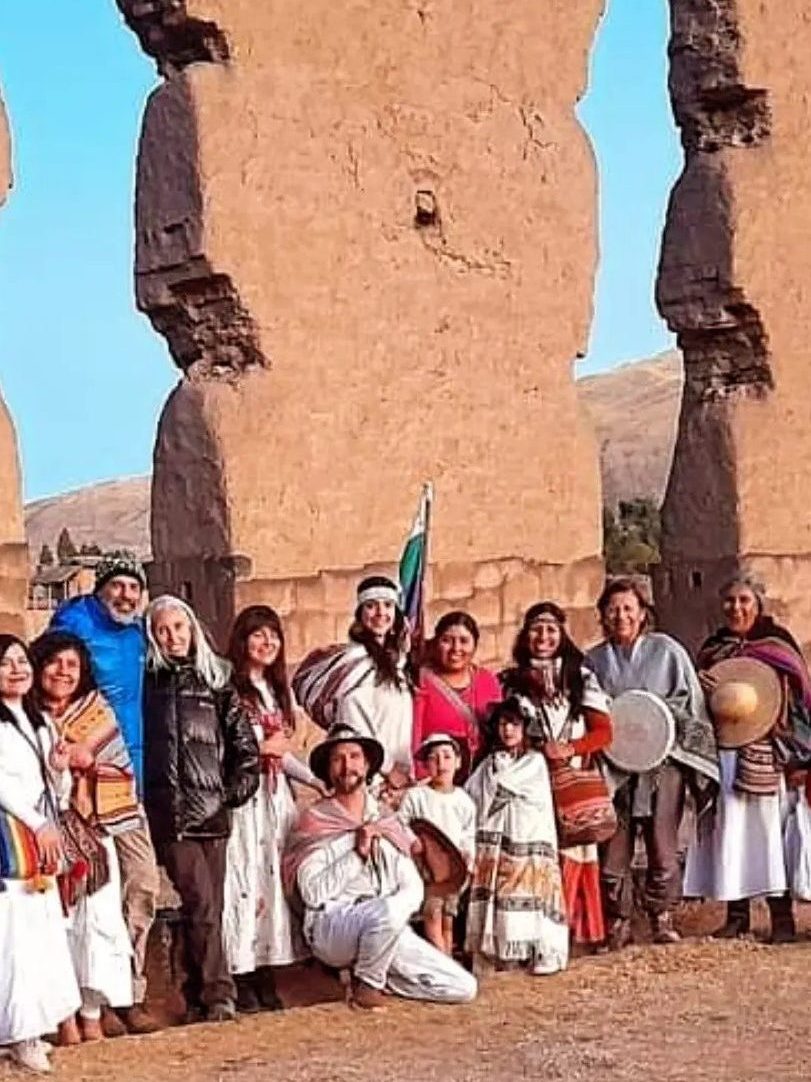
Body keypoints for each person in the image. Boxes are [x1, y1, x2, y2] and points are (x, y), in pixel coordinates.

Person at [283, 723, 477, 1009]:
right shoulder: (316, 820)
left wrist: (397, 905)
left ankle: (378, 972)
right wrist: (357, 853)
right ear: (328, 769)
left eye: (354, 756)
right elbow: (312, 894)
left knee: (463, 987)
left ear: (367, 765)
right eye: (338, 758)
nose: (347, 765)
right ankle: (368, 985)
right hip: (335, 926)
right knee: (384, 910)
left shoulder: (385, 820)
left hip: (387, 926)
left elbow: (411, 885)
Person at [50, 551, 161, 1035]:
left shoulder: (139, 634)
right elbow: (53, 671)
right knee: (81, 895)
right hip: (74, 790)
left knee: (141, 883)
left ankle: (126, 992)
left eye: (134, 588)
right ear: (100, 587)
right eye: (117, 585)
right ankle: (75, 1005)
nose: (126, 595)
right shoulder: (75, 619)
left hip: (123, 783)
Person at [143, 595, 260, 1022]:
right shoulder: (146, 683)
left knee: (209, 908)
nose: (173, 637)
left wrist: (228, 794)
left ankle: (196, 991)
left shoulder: (217, 682)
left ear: (192, 628)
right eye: (163, 630)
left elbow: (246, 751)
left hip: (212, 815)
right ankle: (218, 994)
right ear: (152, 636)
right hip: (171, 817)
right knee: (202, 904)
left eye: (179, 627)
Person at [585, 578, 718, 949]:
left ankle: (662, 916)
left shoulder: (668, 652)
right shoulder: (593, 661)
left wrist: (656, 722)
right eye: (613, 609)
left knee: (662, 842)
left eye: (628, 608)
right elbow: (587, 710)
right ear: (603, 616)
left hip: (663, 765)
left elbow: (690, 703)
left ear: (643, 614)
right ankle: (619, 920)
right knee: (614, 846)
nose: (620, 615)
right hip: (613, 769)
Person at [685, 573, 811, 942]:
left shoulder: (778, 646)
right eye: (730, 601)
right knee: (731, 832)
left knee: (769, 832)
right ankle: (736, 915)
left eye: (744, 601)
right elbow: (695, 704)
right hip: (724, 751)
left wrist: (799, 757)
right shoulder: (713, 648)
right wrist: (704, 686)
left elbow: (801, 702)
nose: (736, 608)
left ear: (758, 605)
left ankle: (781, 919)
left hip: (769, 754)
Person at [30, 631, 136, 1045]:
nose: (63, 672)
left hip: (93, 834)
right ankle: (64, 1016)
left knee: (99, 925)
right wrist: (59, 766)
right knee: (56, 927)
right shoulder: (23, 717)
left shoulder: (98, 715)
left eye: (72, 665)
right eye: (55, 662)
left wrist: (87, 764)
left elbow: (123, 770)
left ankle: (92, 1013)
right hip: (42, 836)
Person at [223, 605, 327, 1014]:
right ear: (242, 640)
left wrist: (314, 780)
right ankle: (241, 973)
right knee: (244, 880)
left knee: (272, 884)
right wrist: (262, 749)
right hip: (246, 801)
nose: (266, 643)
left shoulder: (276, 691)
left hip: (274, 798)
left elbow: (283, 754)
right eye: (257, 635)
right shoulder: (229, 691)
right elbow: (237, 748)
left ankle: (267, 970)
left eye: (273, 635)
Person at [501, 602, 613, 947]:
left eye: (550, 629)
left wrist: (571, 749)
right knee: (538, 852)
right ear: (525, 635)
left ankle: (582, 930)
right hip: (532, 781)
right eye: (536, 629)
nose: (543, 637)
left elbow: (604, 732)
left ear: (562, 634)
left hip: (573, 778)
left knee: (578, 849)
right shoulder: (511, 681)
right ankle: (542, 930)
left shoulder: (581, 677)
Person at [0, 634, 80, 1074]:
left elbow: (56, 793)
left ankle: (31, 1027)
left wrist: (58, 770)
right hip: (10, 838)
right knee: (12, 938)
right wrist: (37, 823)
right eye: (5, 663)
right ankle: (19, 1030)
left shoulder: (41, 723)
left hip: (41, 839)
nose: (16, 669)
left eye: (20, 661)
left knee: (41, 934)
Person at [465, 697, 569, 975]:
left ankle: (538, 951)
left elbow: (505, 789)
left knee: (530, 894)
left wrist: (495, 781)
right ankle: (498, 953)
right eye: (502, 723)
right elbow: (470, 797)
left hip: (527, 839)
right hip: (495, 844)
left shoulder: (534, 763)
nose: (507, 730)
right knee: (497, 896)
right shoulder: (488, 764)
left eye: (513, 723)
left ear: (525, 728)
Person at [293, 576, 414, 795]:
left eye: (387, 605)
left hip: (404, 778)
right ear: (360, 613)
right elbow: (353, 722)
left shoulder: (400, 664)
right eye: (371, 606)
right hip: (372, 778)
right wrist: (388, 769)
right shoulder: (352, 665)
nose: (380, 613)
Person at [398, 733, 476, 954]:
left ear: (458, 762)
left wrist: (469, 856)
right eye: (434, 758)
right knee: (432, 914)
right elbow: (401, 824)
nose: (441, 764)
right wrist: (414, 843)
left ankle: (448, 960)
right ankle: (442, 962)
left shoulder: (464, 801)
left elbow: (468, 834)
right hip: (426, 869)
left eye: (447, 757)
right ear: (426, 764)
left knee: (448, 918)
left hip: (452, 869)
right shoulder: (416, 796)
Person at [412, 611, 501, 780]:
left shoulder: (487, 680)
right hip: (438, 777)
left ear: (475, 645)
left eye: (464, 641)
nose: (456, 649)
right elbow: (413, 737)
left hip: (483, 776)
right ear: (436, 643)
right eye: (447, 640)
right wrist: (421, 778)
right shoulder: (422, 682)